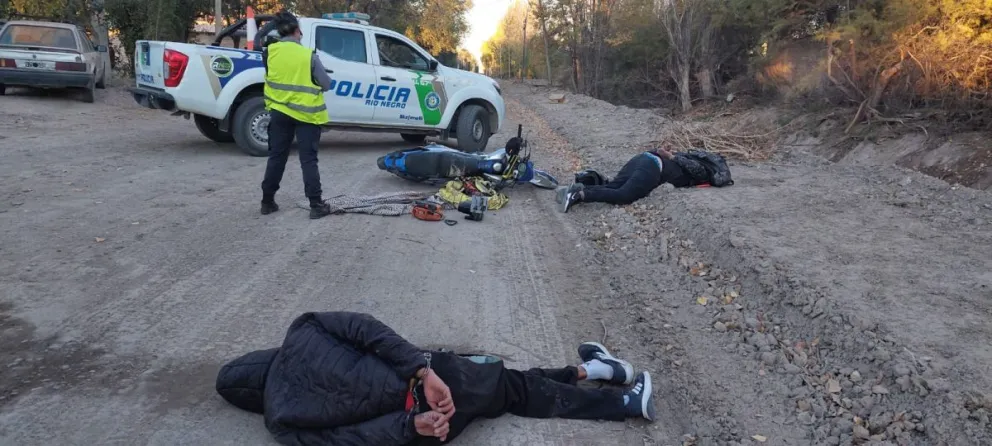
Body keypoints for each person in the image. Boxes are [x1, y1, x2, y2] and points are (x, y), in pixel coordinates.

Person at [215, 311, 656, 445]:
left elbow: (349, 440)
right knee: (509, 388)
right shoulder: (302, 331)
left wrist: (412, 426)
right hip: (429, 384)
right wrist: (421, 369)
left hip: (422, 427)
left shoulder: (280, 423)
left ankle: (597, 370)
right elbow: (369, 331)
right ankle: (622, 402)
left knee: (502, 383)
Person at [259, 11, 334, 219]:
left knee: (276, 157)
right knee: (308, 160)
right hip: (307, 116)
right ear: (296, 31)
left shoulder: (270, 53)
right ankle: (316, 205)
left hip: (279, 112)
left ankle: (267, 202)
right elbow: (326, 84)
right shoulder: (308, 56)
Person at [556, 144, 733, 212]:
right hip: (654, 166)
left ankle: (580, 188)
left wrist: (666, 153)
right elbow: (698, 171)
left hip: (644, 158)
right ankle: (580, 195)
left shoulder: (691, 156)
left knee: (615, 186)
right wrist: (670, 156)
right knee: (625, 195)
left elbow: (680, 161)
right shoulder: (704, 169)